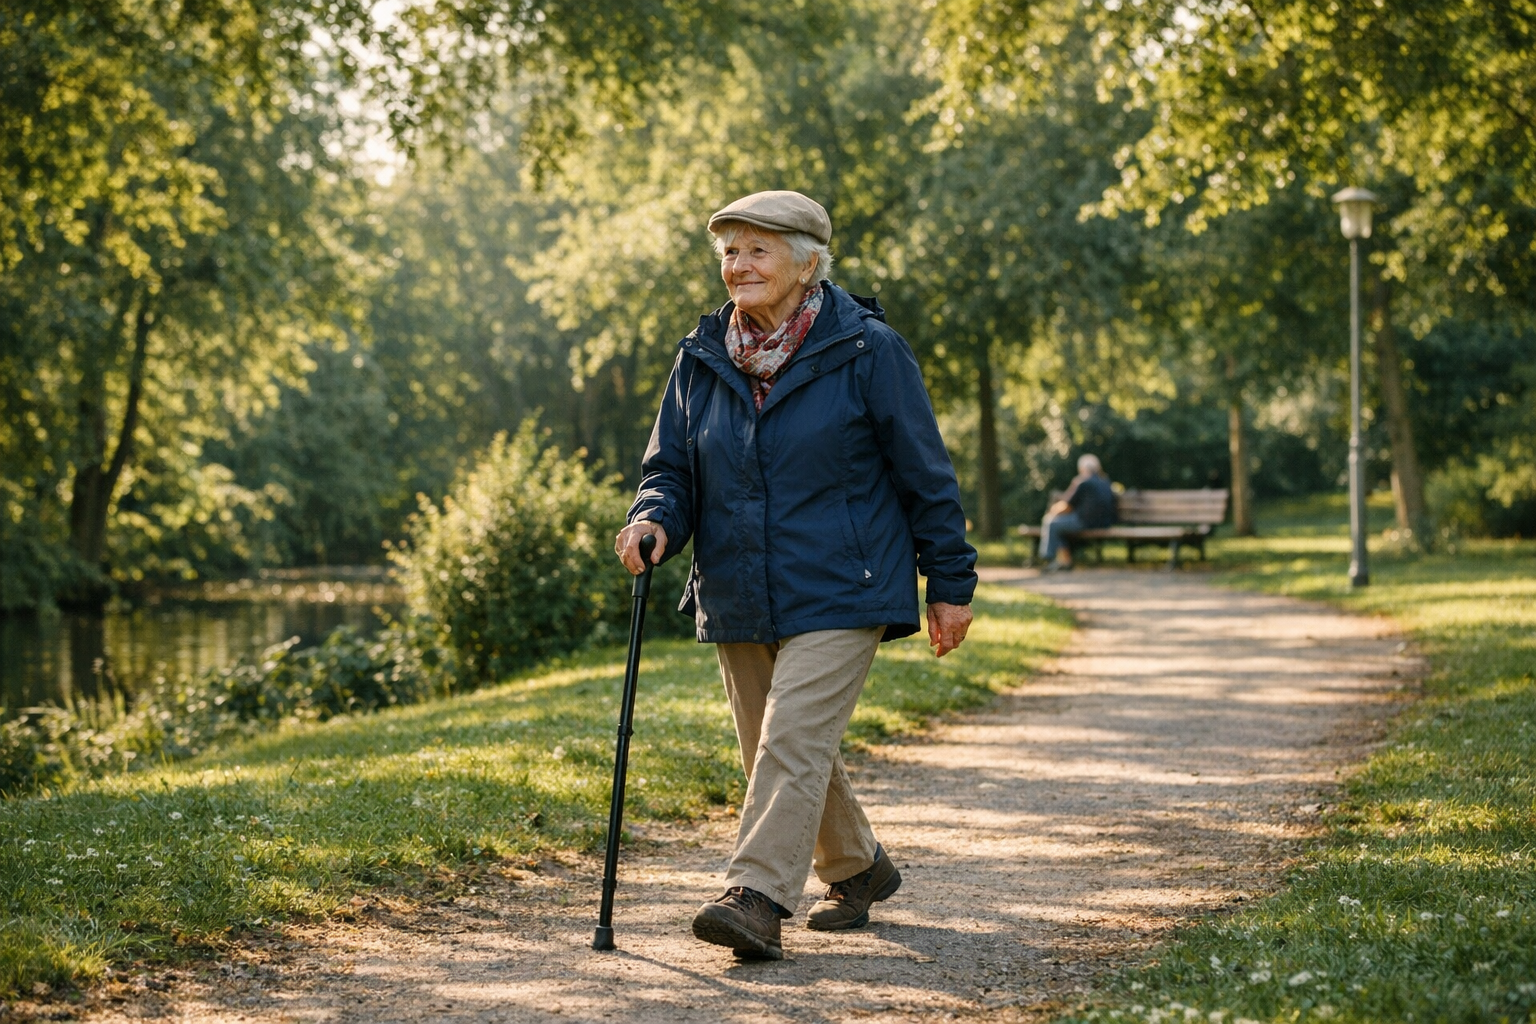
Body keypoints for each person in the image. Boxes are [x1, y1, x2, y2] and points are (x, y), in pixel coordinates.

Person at [614, 190, 977, 960]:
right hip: (738, 580)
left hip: (847, 580)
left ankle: (755, 898)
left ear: (808, 261)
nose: (737, 265)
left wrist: (949, 582)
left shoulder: (867, 349)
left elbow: (926, 472)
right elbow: (670, 469)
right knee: (776, 749)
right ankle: (858, 868)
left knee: (789, 740)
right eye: (728, 252)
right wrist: (653, 519)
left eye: (756, 249)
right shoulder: (700, 355)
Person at [1039, 454, 1116, 571]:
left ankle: (1048, 559)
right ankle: (1065, 561)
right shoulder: (1106, 482)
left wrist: (1053, 512)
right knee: (1060, 530)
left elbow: (1067, 506)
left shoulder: (1083, 482)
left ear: (1082, 469)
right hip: (1105, 523)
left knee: (1051, 523)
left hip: (1086, 523)